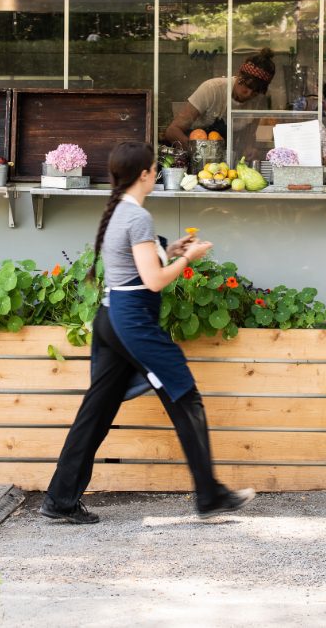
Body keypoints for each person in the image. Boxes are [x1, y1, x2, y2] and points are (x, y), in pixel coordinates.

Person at [40, 141, 257, 524]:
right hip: (133, 323)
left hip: (112, 318)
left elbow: (135, 264)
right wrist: (188, 258)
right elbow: (153, 281)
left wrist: (170, 249)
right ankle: (209, 495)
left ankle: (60, 499)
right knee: (186, 397)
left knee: (96, 412)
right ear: (143, 174)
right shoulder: (137, 218)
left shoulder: (120, 211)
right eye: (155, 168)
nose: (157, 173)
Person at [163, 48, 276, 147]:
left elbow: (248, 137)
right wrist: (196, 153)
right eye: (248, 86)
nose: (249, 94)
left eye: (256, 91)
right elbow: (172, 131)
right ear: (240, 76)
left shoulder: (258, 100)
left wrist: (249, 148)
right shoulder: (212, 89)